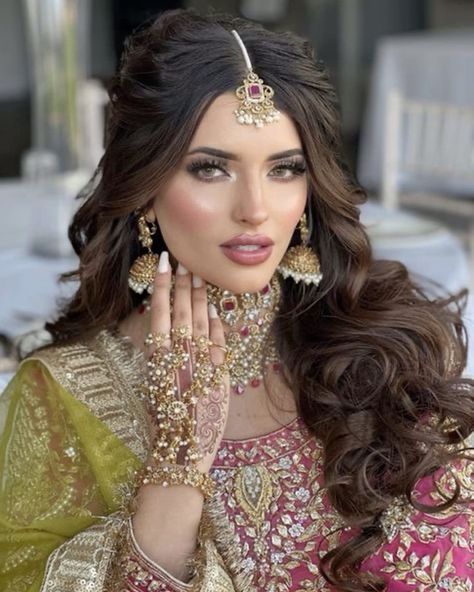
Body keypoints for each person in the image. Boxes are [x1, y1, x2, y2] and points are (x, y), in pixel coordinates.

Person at [0, 8, 472, 592]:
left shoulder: (380, 340)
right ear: (145, 188)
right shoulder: (62, 395)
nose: (255, 208)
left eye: (284, 169)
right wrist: (177, 461)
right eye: (210, 169)